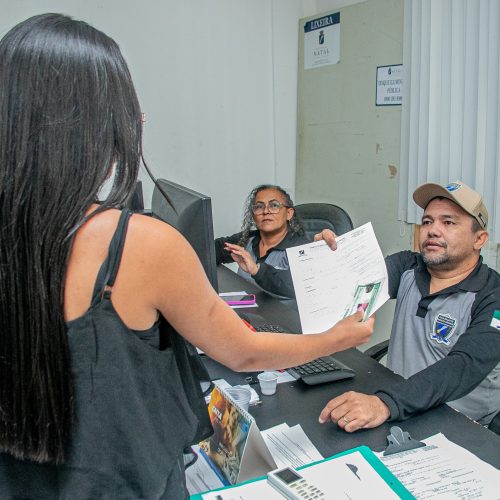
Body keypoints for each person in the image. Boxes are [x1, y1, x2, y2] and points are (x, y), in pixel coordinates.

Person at [0, 14, 374, 498]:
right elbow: (243, 351)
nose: (141, 119)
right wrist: (336, 338)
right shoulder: (139, 243)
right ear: (90, 120)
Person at [317, 181, 500, 433]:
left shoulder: (493, 295)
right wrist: (326, 258)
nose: (432, 231)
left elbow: (463, 366)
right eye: (427, 221)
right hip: (400, 409)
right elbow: (347, 288)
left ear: (479, 239)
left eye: (448, 222)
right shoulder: (407, 266)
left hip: (461, 425)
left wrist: (386, 403)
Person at [215, 184, 309, 298]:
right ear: (253, 216)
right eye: (259, 207)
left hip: (283, 314)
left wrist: (257, 270)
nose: (266, 211)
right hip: (247, 311)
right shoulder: (247, 239)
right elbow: (212, 250)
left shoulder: (300, 248)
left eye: (274, 205)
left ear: (289, 213)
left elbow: (298, 286)